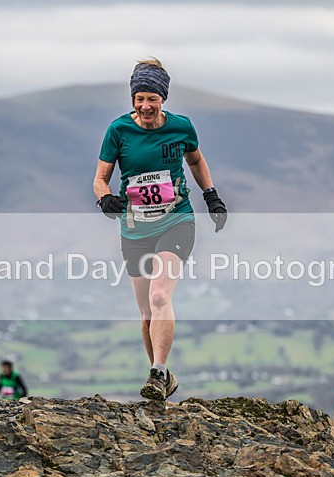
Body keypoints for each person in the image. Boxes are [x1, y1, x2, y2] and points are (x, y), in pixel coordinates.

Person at [93, 58, 227, 401]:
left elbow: (196, 161)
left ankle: (158, 371)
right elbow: (100, 179)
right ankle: (162, 376)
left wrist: (211, 196)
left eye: (151, 98)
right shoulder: (118, 131)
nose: (145, 105)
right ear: (132, 99)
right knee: (146, 312)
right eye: (139, 98)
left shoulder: (181, 127)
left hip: (176, 220)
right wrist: (105, 199)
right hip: (136, 228)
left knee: (159, 295)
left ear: (162, 99)